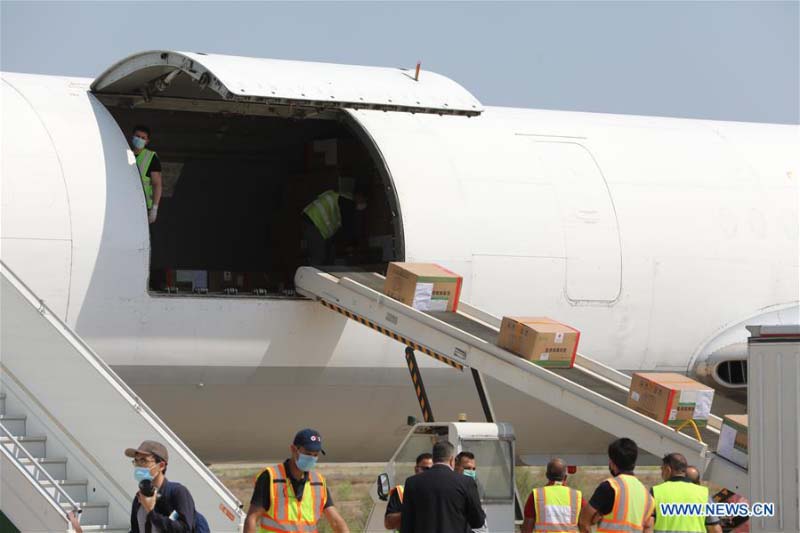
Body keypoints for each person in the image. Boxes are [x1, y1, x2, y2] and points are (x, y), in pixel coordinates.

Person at [243, 429, 349, 533]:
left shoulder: (318, 482)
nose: (312, 458)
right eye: (308, 453)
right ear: (293, 449)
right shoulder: (271, 478)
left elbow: (336, 522)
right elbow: (252, 519)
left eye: (315, 455)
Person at [399, 441, 485, 533]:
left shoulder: (412, 482)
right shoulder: (466, 482)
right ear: (452, 460)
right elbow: (477, 521)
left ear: (434, 458)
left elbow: (406, 523)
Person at [579, 438, 655, 533]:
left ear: (612, 463)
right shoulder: (647, 496)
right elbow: (648, 528)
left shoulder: (610, 487)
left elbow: (583, 521)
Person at [125, 440, 198, 532]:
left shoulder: (177, 492)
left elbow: (184, 529)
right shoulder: (139, 498)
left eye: (143, 461)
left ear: (161, 466)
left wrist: (151, 512)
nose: (139, 466)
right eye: (136, 461)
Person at [651, 453, 722, 533]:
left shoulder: (656, 492)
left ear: (668, 469)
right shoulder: (703, 493)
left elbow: (648, 525)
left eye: (662, 469)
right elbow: (715, 529)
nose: (662, 474)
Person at [302, 187, 367, 266]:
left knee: (328, 256)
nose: (363, 204)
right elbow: (348, 227)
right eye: (364, 200)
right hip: (314, 222)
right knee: (319, 257)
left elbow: (340, 225)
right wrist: (351, 245)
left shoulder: (344, 198)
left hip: (315, 222)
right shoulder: (348, 203)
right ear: (359, 197)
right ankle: (311, 276)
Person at [522, 458, 586, 533]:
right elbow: (585, 524)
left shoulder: (536, 495)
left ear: (547, 475)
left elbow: (527, 528)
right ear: (565, 477)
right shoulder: (576, 496)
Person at [384, 453, 434, 530]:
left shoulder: (440, 492)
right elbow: (388, 524)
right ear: (416, 469)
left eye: (432, 470)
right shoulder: (401, 492)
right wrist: (410, 512)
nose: (429, 472)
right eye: (425, 469)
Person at [131, 125, 162, 224]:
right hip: (126, 202)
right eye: (137, 136)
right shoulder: (124, 154)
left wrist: (154, 209)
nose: (139, 139)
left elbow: (157, 184)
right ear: (132, 137)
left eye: (143, 138)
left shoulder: (151, 157)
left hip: (143, 206)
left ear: (147, 141)